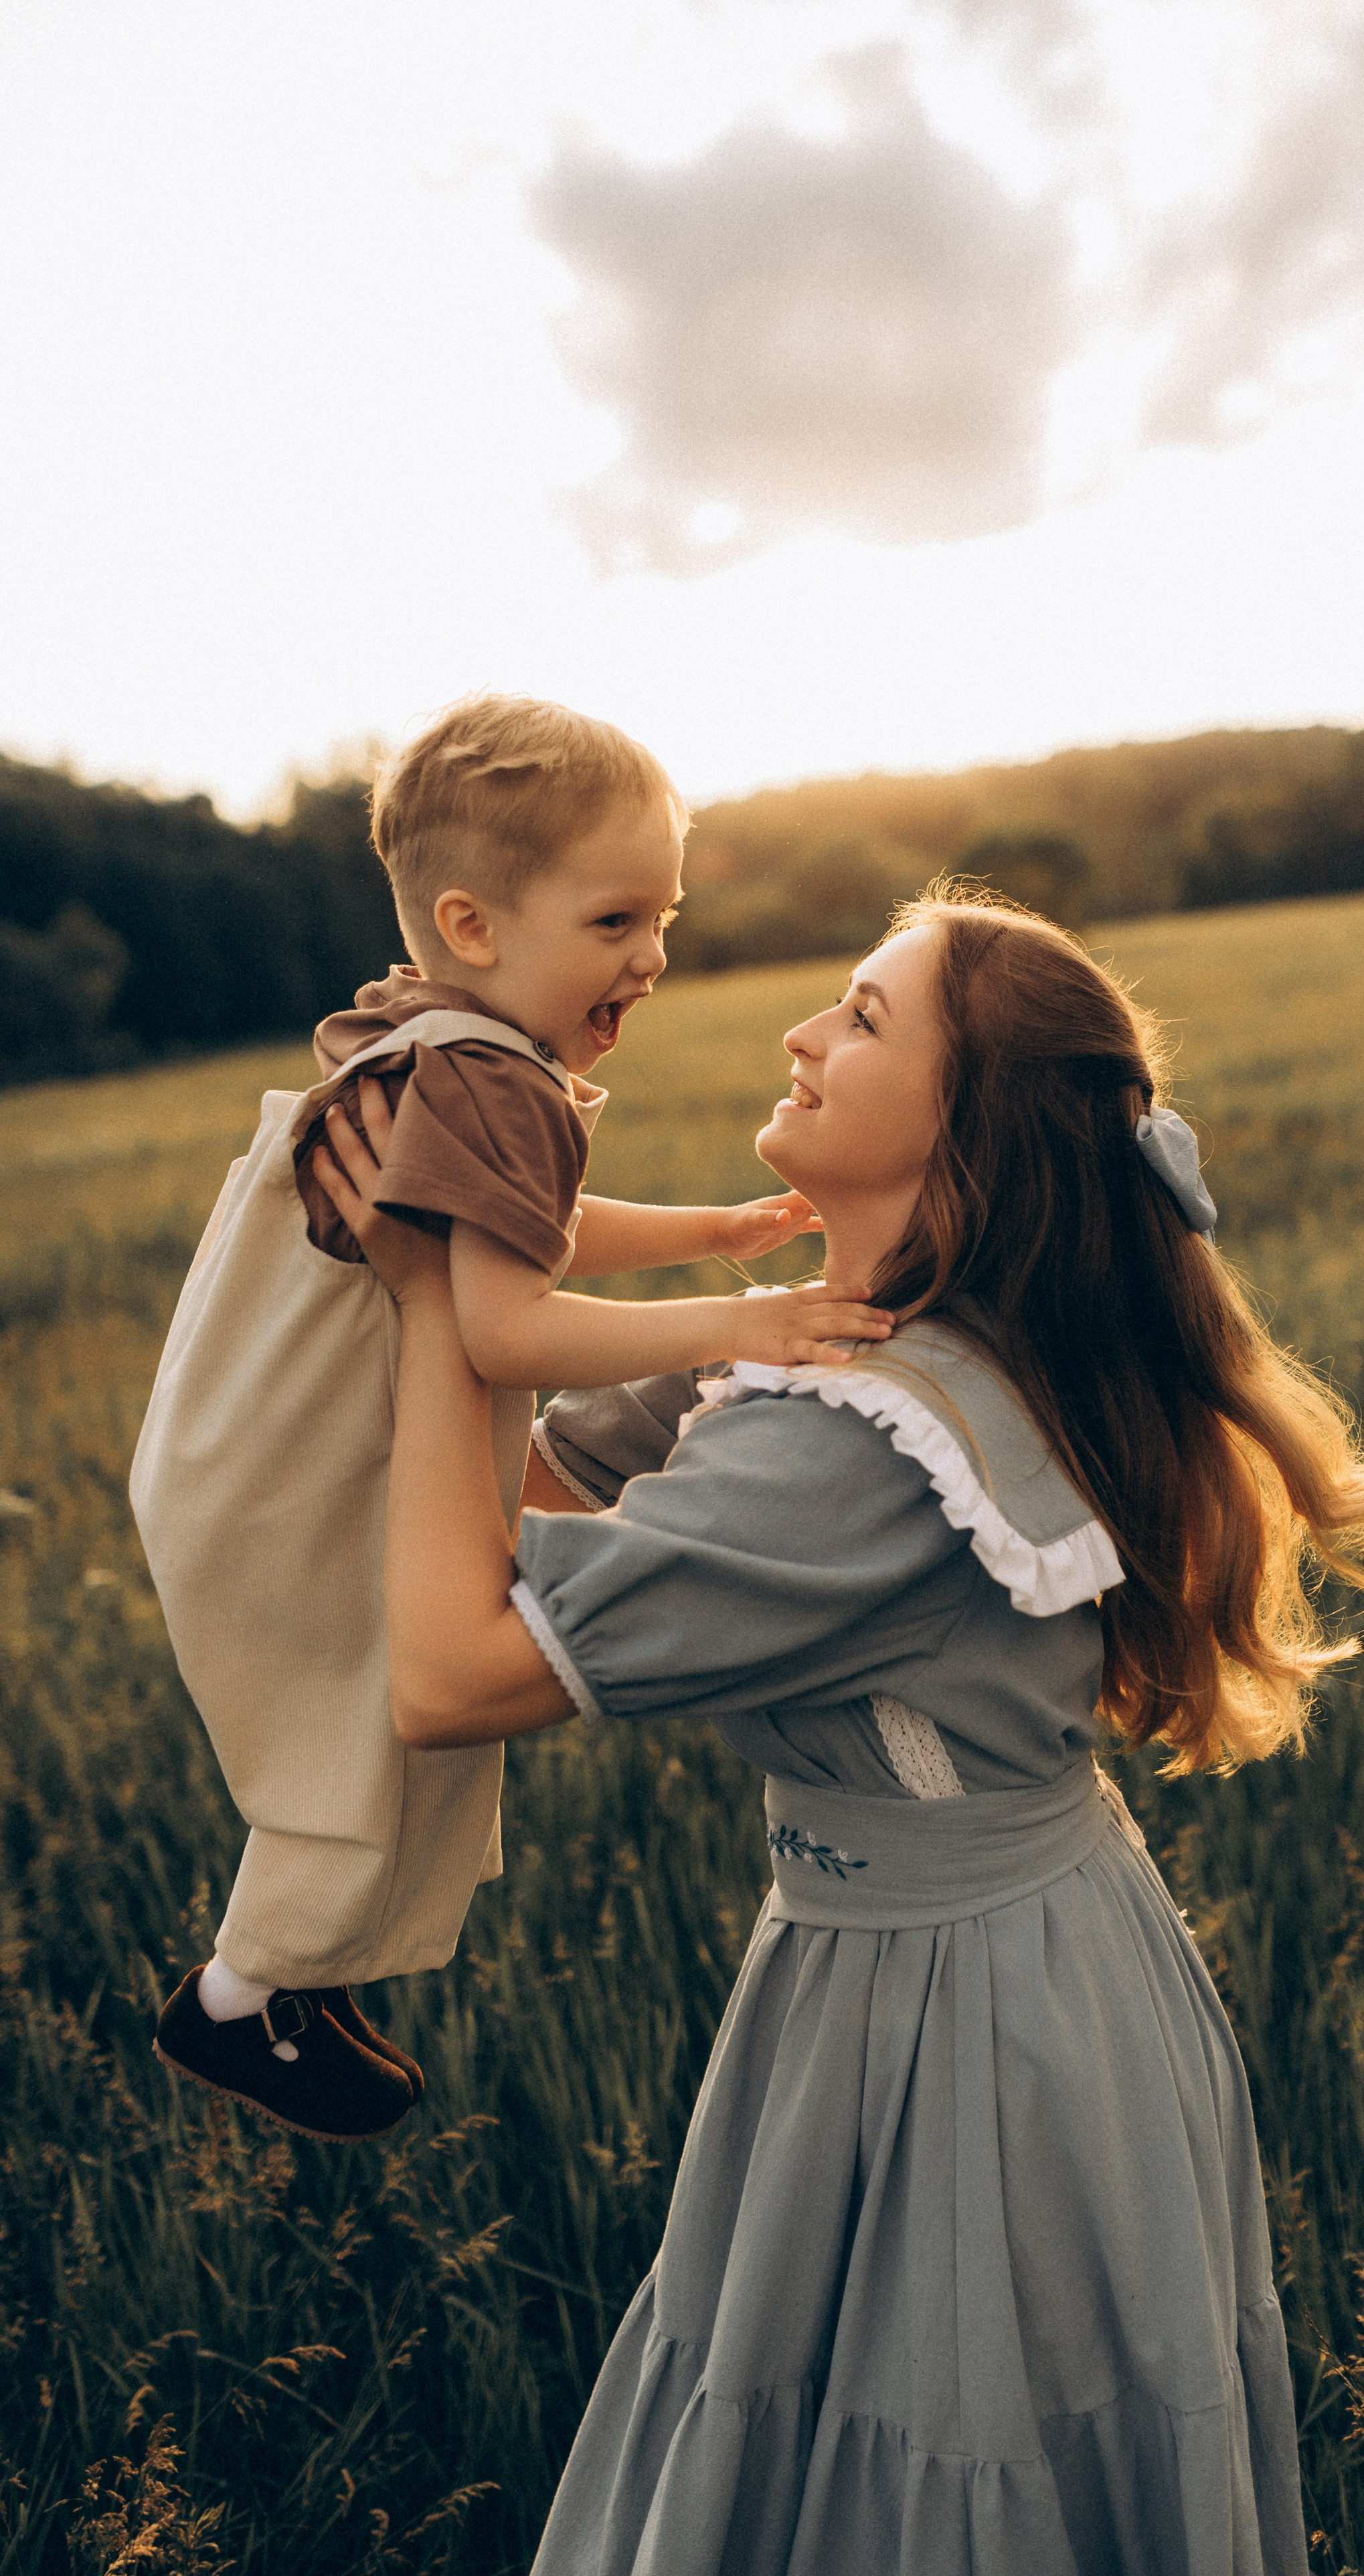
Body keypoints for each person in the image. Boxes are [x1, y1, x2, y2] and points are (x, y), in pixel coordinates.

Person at [315, 886, 1364, 2575]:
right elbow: (517, 1483)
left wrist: (439, 1291)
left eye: (862, 1018)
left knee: (940, 2476)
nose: (801, 1031)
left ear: (967, 1117)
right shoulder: (847, 1343)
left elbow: (446, 1667)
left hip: (970, 2021)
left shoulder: (865, 1442)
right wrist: (498, 1233)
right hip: (967, 1963)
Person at [139, 696, 887, 2146]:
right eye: (614, 919)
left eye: (662, 913)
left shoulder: (435, 1040)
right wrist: (741, 1317)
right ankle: (245, 2001)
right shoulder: (493, 1077)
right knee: (369, 1737)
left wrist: (713, 1230)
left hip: (241, 1448)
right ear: (475, 926)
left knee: (355, 1735)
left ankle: (281, 1980)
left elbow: (507, 1233)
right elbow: (498, 1323)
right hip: (308, 1470)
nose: (652, 954)